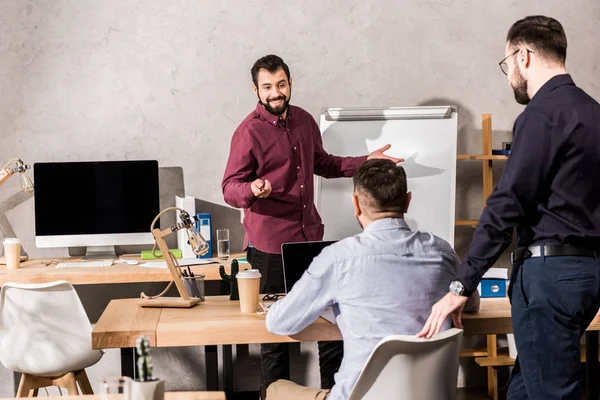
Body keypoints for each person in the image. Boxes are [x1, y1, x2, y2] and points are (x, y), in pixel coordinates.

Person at [418, 15, 600, 399]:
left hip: (549, 277)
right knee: (525, 386)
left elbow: (507, 204)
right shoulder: (594, 113)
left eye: (507, 64)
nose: (509, 76)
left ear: (525, 55)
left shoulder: (540, 115)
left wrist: (461, 284)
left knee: (550, 392)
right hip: (588, 273)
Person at [221, 54, 401, 388]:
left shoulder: (304, 121)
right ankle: (275, 396)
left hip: (310, 238)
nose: (275, 93)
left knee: (330, 326)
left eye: (281, 84)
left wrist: (366, 161)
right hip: (270, 246)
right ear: (255, 89)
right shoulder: (248, 132)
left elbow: (324, 163)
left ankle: (332, 394)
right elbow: (229, 187)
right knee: (276, 335)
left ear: (290, 83)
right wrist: (252, 188)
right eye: (267, 87)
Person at [262, 159, 480, 400]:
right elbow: (468, 303)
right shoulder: (442, 251)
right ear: (407, 201)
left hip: (358, 396)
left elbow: (279, 323)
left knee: (272, 389)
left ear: (355, 204)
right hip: (432, 395)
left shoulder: (338, 258)